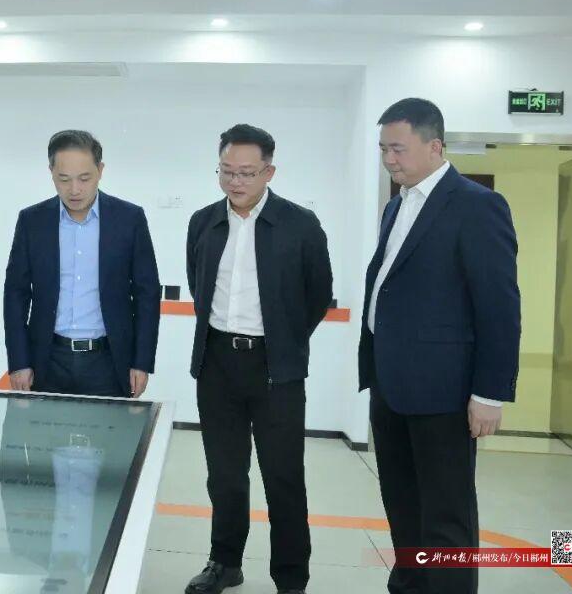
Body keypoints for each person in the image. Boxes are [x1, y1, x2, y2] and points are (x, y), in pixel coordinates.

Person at [360, 98, 520, 594]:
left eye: (398, 149)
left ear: (435, 147)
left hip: (444, 394)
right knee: (403, 505)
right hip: (391, 387)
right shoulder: (397, 205)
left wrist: (489, 393)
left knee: (446, 515)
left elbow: (499, 305)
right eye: (383, 149)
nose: (389, 159)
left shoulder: (476, 205)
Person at [185, 124, 332, 594]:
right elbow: (197, 283)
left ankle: (291, 578)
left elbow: (318, 294)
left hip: (276, 369)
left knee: (283, 477)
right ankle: (224, 563)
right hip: (216, 364)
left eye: (246, 172)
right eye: (226, 171)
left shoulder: (300, 224)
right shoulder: (203, 222)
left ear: (269, 172)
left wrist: (285, 341)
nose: (235, 181)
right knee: (225, 477)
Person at [3, 130, 160, 398]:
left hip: (109, 361)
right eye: (64, 179)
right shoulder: (32, 221)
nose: (74, 189)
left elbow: (147, 294)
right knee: (44, 427)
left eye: (84, 178)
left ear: (100, 170)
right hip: (47, 360)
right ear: (51, 172)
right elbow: (16, 293)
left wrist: (141, 361)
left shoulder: (129, 219)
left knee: (109, 427)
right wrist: (19, 361)